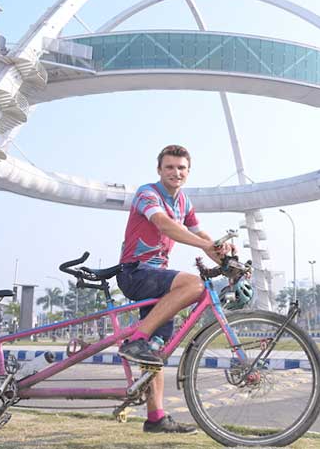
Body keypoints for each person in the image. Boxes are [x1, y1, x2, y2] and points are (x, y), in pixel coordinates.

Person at [116, 144, 231, 434]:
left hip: (156, 276)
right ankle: (137, 338)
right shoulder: (148, 193)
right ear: (159, 170)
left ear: (188, 172)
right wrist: (208, 246)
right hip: (136, 272)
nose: (175, 172)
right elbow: (165, 226)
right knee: (193, 283)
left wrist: (229, 260)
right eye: (169, 167)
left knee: (156, 350)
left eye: (181, 168)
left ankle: (156, 418)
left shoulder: (184, 202)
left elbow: (202, 235)